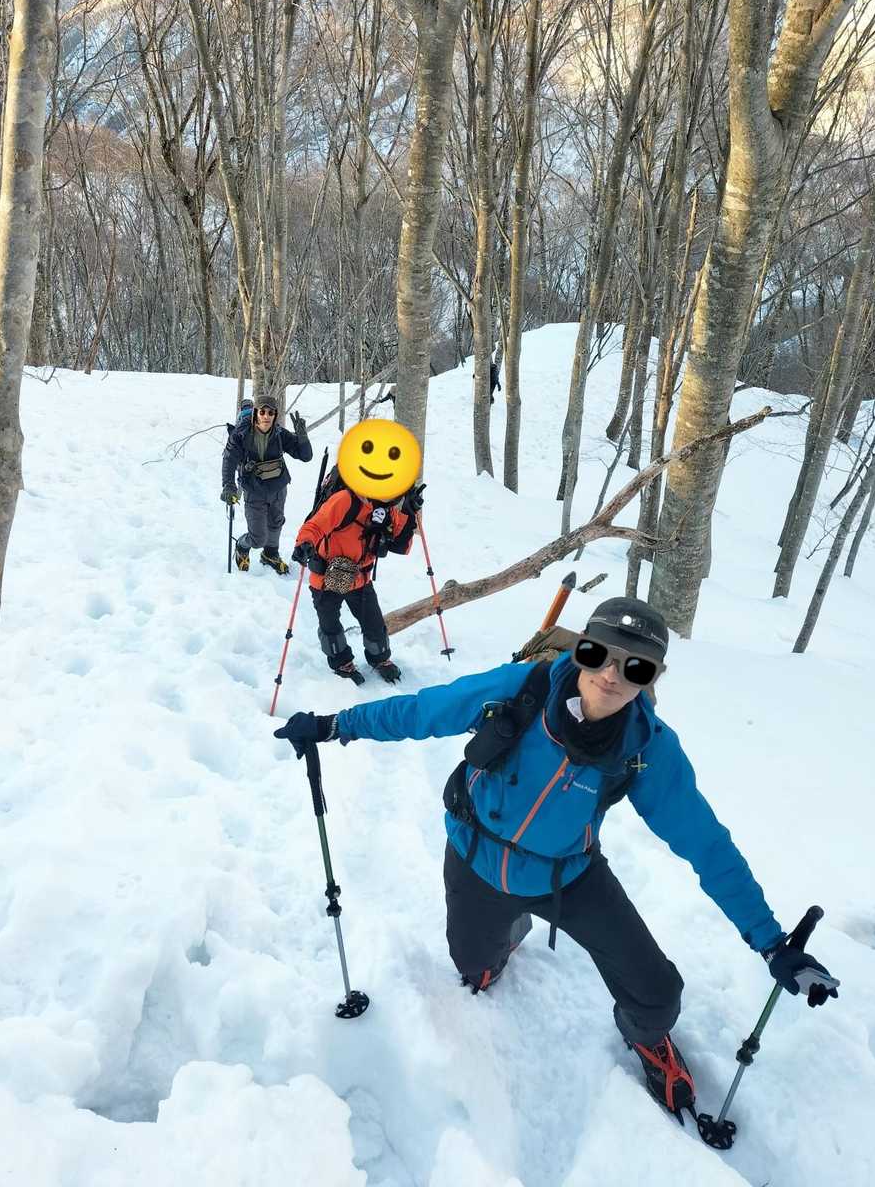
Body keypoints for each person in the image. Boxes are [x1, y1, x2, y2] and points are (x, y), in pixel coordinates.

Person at [274, 596, 839, 1123]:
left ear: (653, 678)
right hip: (476, 857)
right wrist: (336, 725)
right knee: (471, 966)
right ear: (580, 647)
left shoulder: (646, 749)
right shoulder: (524, 690)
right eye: (599, 654)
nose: (611, 674)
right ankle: (507, 933)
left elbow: (706, 843)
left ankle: (646, 1038)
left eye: (636, 667)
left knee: (658, 992)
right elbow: (425, 711)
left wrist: (771, 942)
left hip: (567, 876)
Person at [290, 476, 425, 685]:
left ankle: (380, 659)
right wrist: (304, 543)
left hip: (360, 578)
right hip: (327, 577)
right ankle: (341, 663)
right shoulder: (345, 499)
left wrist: (409, 510)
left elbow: (401, 546)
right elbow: (315, 525)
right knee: (330, 624)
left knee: (374, 623)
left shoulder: (387, 510)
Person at [221, 396, 312, 574]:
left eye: (270, 413)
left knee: (276, 524)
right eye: (262, 412)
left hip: (278, 487)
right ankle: (242, 545)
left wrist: (302, 437)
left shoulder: (279, 433)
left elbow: (305, 456)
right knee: (258, 538)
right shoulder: (240, 434)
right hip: (254, 489)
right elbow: (229, 460)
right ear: (255, 413)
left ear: (275, 415)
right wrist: (229, 486)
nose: (266, 416)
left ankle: (270, 555)